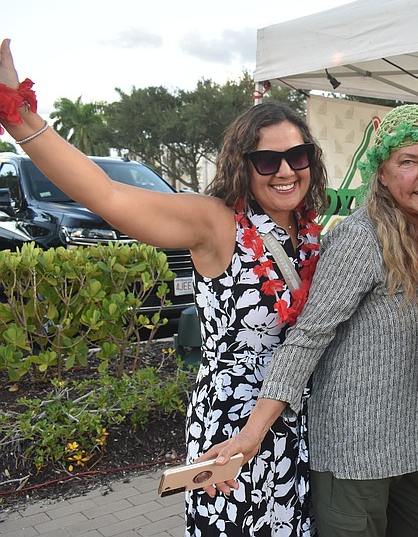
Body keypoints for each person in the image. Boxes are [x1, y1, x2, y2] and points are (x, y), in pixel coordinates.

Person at [0, 40, 327, 535]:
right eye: (267, 160)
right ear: (242, 165)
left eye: (297, 156)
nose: (285, 171)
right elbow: (105, 193)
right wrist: (19, 114)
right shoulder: (215, 222)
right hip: (233, 426)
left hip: (300, 422)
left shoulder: (308, 231)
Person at [198, 104, 418, 537]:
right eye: (408, 162)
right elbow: (309, 336)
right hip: (353, 457)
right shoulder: (360, 239)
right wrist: (251, 433)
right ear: (381, 174)